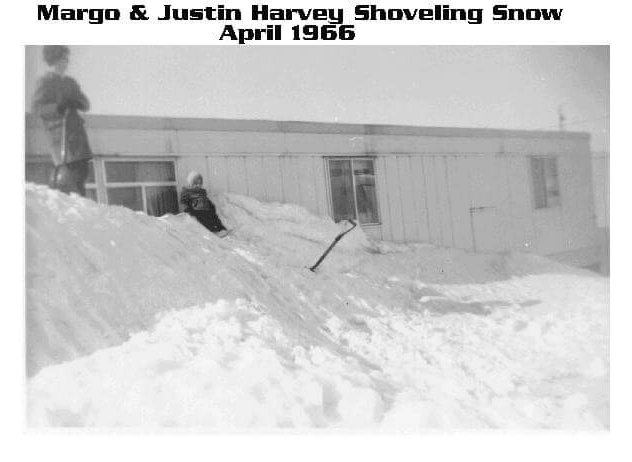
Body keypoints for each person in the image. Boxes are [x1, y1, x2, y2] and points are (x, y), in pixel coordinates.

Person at [31, 45, 93, 196]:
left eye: (66, 59)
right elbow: (37, 109)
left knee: (81, 173)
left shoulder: (70, 82)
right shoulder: (45, 82)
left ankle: (81, 211)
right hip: (60, 137)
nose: (66, 63)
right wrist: (58, 107)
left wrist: (77, 101)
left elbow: (85, 104)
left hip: (77, 137)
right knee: (67, 179)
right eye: (63, 59)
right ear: (54, 60)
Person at [180, 171, 229, 237]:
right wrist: (188, 211)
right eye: (195, 184)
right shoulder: (187, 192)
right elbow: (183, 203)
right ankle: (212, 231)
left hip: (205, 209)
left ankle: (221, 229)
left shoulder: (202, 192)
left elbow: (206, 200)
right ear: (191, 183)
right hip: (196, 211)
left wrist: (211, 205)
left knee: (214, 217)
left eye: (200, 184)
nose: (198, 185)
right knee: (204, 219)